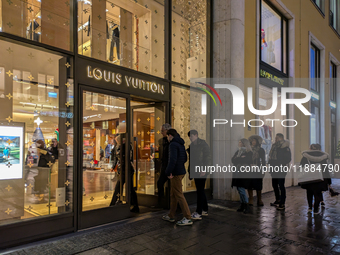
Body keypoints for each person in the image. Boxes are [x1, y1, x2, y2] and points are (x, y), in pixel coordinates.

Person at [162, 129, 192, 226]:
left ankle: (188, 217)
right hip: (181, 171)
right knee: (173, 194)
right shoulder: (180, 144)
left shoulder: (173, 145)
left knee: (178, 195)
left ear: (170, 135)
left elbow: (172, 160)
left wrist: (168, 172)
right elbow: (185, 158)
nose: (167, 138)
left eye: (167, 136)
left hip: (175, 173)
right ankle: (171, 215)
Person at [110, 134, 139, 213]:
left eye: (117, 140)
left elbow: (126, 158)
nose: (117, 142)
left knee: (123, 187)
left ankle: (114, 203)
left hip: (127, 170)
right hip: (123, 170)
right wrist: (114, 166)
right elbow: (117, 158)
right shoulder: (120, 147)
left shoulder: (126, 147)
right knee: (124, 187)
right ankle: (117, 202)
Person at [299, 144, 331, 215]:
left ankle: (310, 207)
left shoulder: (305, 156)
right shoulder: (323, 157)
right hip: (320, 178)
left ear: (310, 149)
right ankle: (316, 209)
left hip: (309, 177)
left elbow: (302, 167)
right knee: (318, 193)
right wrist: (329, 181)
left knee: (309, 192)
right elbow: (326, 169)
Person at [187, 130, 211, 220]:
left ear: (196, 135)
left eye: (192, 136)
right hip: (195, 171)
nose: (190, 138)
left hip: (202, 171)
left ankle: (199, 212)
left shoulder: (203, 145)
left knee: (200, 191)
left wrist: (204, 169)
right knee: (200, 190)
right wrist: (190, 172)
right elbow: (191, 161)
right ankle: (204, 210)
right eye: (189, 137)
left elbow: (208, 158)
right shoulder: (192, 146)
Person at [268, 133, 291, 210]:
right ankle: (277, 199)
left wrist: (280, 163)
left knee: (281, 185)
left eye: (277, 138)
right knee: (274, 184)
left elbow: (288, 159)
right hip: (273, 168)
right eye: (275, 138)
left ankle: (282, 203)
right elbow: (270, 157)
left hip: (281, 168)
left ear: (281, 138)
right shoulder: (274, 146)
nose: (275, 139)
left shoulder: (285, 147)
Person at [231, 138, 253, 214]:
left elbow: (247, 160)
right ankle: (242, 205)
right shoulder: (238, 151)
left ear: (244, 143)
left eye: (240, 142)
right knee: (239, 188)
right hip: (237, 171)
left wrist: (238, 159)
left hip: (244, 172)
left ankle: (246, 205)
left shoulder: (249, 152)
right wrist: (240, 158)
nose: (239, 143)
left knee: (241, 188)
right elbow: (233, 160)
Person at [248, 135, 266, 206]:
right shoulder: (248, 150)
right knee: (250, 184)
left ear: (258, 142)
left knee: (258, 184)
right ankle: (251, 199)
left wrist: (264, 169)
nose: (253, 142)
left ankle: (259, 199)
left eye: (255, 141)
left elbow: (263, 160)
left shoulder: (261, 150)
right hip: (249, 169)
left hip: (258, 169)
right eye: (252, 141)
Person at [157, 123, 171, 208]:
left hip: (169, 167)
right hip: (165, 166)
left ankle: (163, 203)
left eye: (162, 131)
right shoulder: (161, 141)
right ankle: (163, 203)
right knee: (160, 183)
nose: (161, 132)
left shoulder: (171, 142)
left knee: (161, 183)